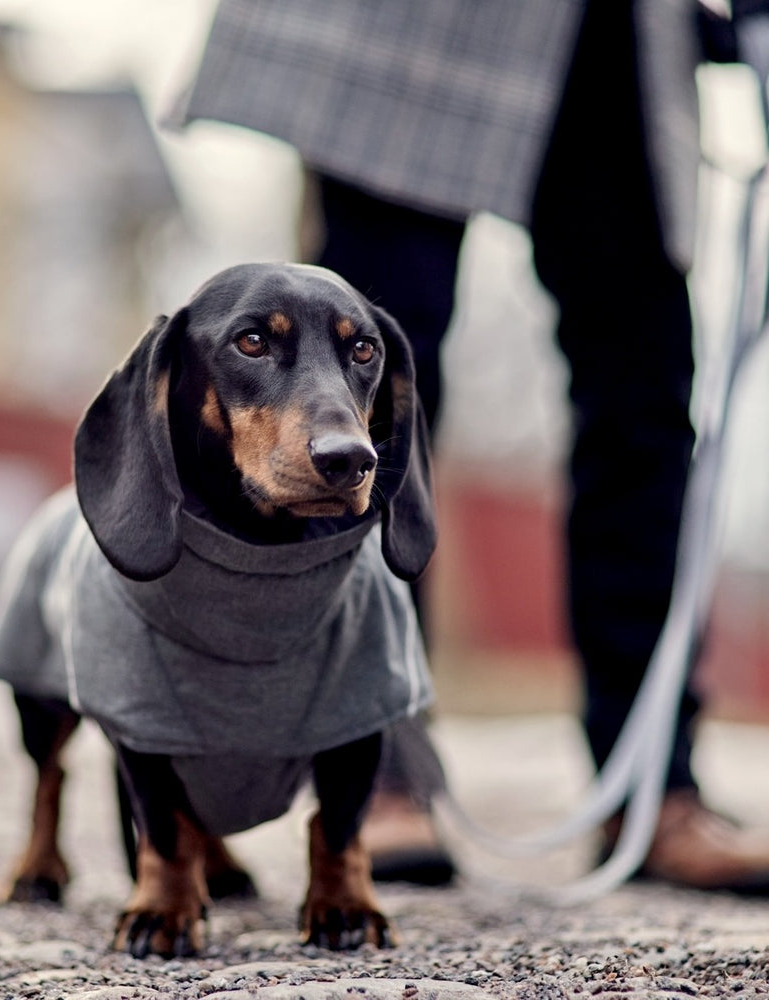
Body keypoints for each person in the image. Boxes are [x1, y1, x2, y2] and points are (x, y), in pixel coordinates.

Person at [171, 0, 769, 892]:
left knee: (643, 385)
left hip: (620, 29)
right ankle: (372, 767)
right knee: (360, 375)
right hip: (406, 24)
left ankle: (651, 788)